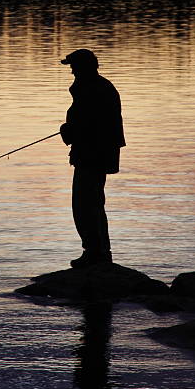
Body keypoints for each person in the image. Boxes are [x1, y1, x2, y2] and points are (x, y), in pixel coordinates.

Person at [60, 49, 125, 269]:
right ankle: (99, 252)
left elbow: (88, 125)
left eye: (73, 67)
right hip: (96, 153)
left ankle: (95, 253)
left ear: (83, 67)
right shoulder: (98, 86)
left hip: (92, 154)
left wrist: (68, 131)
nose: (72, 71)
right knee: (93, 202)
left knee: (85, 203)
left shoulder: (92, 89)